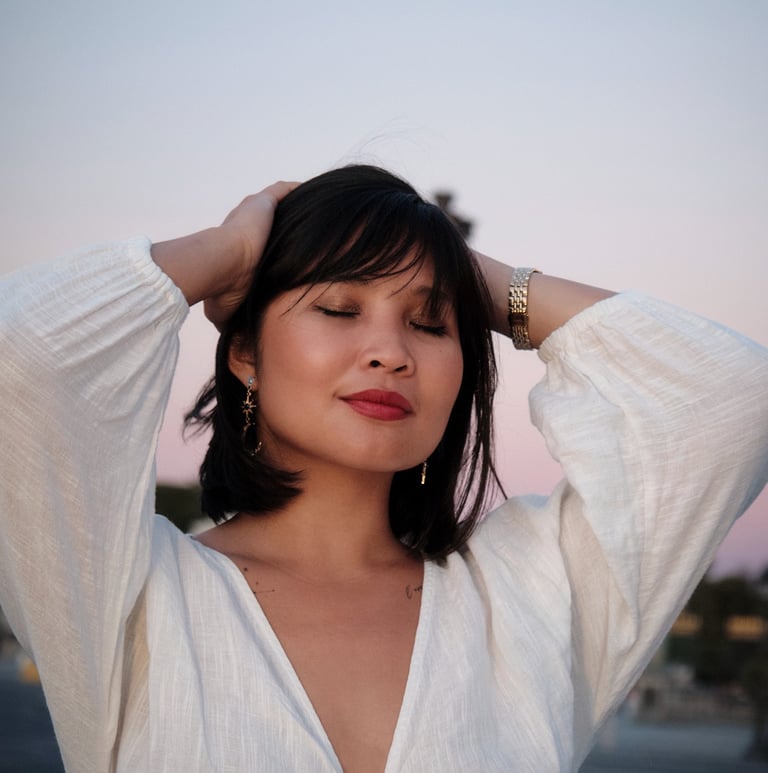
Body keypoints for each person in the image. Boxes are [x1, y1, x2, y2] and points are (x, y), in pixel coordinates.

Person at [0, 165, 766, 772]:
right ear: (245, 352)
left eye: (430, 322)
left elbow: (734, 401)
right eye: (339, 308)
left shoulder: (530, 595)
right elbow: (18, 356)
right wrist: (228, 251)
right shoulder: (127, 594)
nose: (391, 352)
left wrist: (466, 271)